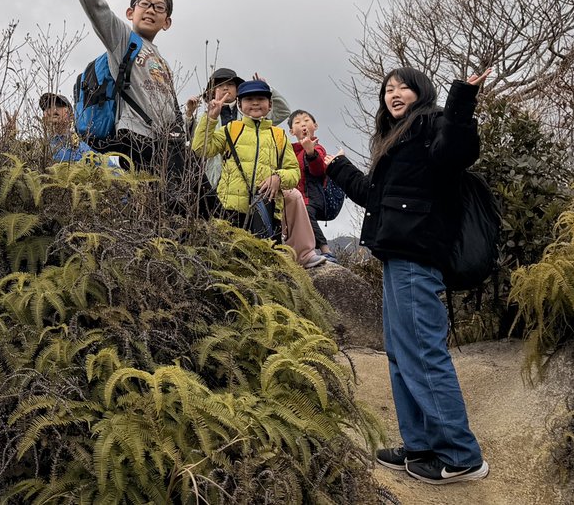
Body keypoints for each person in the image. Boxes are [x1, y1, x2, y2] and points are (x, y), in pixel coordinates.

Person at [325, 65, 492, 485]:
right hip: (396, 256)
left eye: (403, 87)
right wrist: (336, 165)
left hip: (419, 256)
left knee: (423, 352)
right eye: (388, 89)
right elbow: (373, 196)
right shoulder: (395, 141)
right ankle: (419, 445)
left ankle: (460, 455)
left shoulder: (434, 123)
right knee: (401, 354)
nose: (394, 93)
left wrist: (462, 99)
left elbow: (457, 151)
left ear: (421, 92)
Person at [72, 0, 183, 173]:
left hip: (166, 144)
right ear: (130, 12)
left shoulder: (162, 62)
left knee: (201, 194)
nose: (151, 10)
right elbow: (93, 4)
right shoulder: (122, 40)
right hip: (135, 139)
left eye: (159, 8)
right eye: (144, 4)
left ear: (167, 22)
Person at [192, 79, 323, 268]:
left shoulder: (279, 135)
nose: (255, 103)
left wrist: (278, 177)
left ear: (270, 105)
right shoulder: (231, 129)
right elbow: (201, 149)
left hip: (266, 211)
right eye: (249, 99)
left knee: (265, 267)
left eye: (260, 99)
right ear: (239, 104)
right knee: (231, 266)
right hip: (229, 211)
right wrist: (210, 118)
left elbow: (294, 172)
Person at [288, 109, 336, 261]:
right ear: (291, 131)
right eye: (297, 122)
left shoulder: (318, 148)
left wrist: (310, 152)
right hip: (296, 197)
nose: (303, 124)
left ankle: (325, 250)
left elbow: (318, 170)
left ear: (315, 126)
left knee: (306, 214)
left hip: (313, 197)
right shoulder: (290, 151)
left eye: (307, 120)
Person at [39, 92, 93, 163]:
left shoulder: (83, 150)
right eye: (49, 106)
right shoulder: (37, 148)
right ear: (44, 117)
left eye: (59, 105)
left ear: (71, 117)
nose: (54, 109)